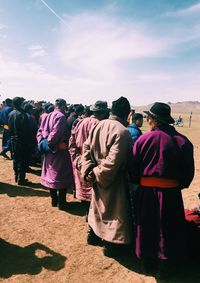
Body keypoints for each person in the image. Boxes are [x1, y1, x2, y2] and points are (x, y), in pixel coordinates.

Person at [131, 102, 194, 279]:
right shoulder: (183, 142)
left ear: (154, 120)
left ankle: (146, 261)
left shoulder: (142, 140)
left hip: (146, 193)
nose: (147, 120)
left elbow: (133, 169)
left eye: (148, 117)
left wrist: (142, 183)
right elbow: (187, 175)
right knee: (168, 228)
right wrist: (174, 186)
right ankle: (166, 265)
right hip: (170, 195)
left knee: (146, 226)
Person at [81, 97, 133, 257]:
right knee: (114, 213)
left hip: (97, 176)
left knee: (97, 207)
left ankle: (94, 235)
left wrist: (89, 170)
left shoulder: (99, 125)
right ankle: (111, 247)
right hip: (114, 180)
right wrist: (96, 173)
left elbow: (86, 148)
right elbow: (113, 162)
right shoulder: (122, 132)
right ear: (127, 114)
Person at [36, 98, 73, 210]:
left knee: (50, 175)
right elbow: (56, 133)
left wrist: (42, 144)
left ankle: (54, 200)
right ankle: (61, 203)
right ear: (63, 106)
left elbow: (40, 131)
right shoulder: (61, 117)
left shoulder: (47, 115)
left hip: (48, 151)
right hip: (58, 150)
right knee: (60, 175)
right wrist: (50, 144)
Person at [69, 101, 109, 203]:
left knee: (83, 186)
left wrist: (76, 159)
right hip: (93, 162)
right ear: (104, 113)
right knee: (93, 191)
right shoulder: (101, 125)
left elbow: (72, 143)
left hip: (80, 159)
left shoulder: (81, 122)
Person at [8, 97, 31, 185]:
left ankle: (16, 176)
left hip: (13, 139)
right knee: (22, 160)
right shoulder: (22, 114)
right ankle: (21, 179)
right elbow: (26, 130)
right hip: (21, 140)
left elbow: (9, 128)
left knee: (16, 158)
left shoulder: (11, 113)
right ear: (20, 104)